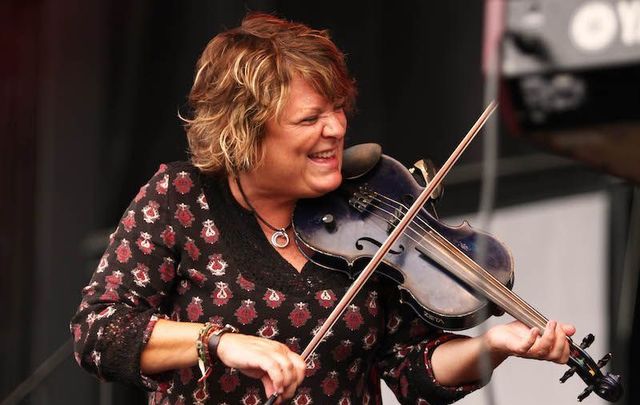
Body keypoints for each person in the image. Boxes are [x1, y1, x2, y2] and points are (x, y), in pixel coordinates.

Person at [70, 13, 575, 405]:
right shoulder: (182, 197)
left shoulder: (371, 213)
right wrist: (219, 343)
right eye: (310, 118)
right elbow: (99, 331)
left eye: (337, 109)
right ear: (243, 131)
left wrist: (494, 347)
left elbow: (412, 369)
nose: (335, 128)